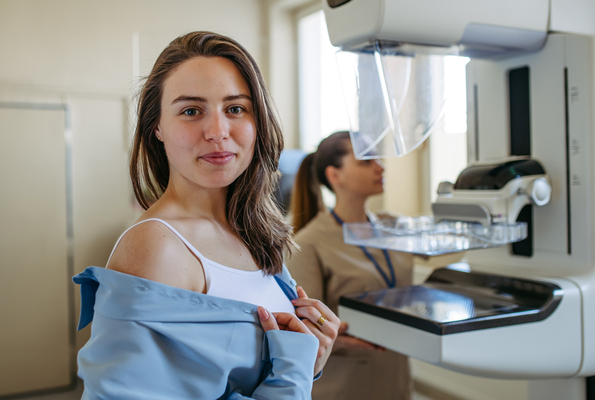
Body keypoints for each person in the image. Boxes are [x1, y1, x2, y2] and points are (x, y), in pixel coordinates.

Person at [73, 31, 340, 399]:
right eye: (191, 111)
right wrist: (292, 375)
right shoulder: (156, 247)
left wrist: (311, 360)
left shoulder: (254, 230)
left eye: (235, 109)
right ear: (157, 127)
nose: (217, 132)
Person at [287, 131, 414, 400]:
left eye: (377, 159)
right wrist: (335, 336)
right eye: (366, 161)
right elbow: (303, 328)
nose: (380, 167)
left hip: (396, 376)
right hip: (346, 385)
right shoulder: (309, 243)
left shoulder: (394, 227)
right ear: (335, 175)